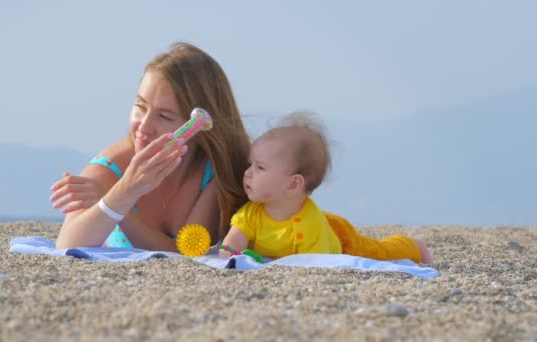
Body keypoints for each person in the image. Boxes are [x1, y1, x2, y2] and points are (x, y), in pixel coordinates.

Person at [52, 42, 250, 251]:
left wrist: (123, 205)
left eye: (164, 116)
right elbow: (67, 244)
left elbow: (187, 253)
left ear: (197, 128)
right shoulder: (112, 166)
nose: (143, 127)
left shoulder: (213, 172)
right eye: (140, 106)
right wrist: (121, 193)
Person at [220, 111, 434, 264]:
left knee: (377, 252)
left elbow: (318, 263)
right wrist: (228, 254)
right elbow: (233, 241)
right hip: (326, 220)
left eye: (260, 167)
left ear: (293, 184)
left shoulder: (310, 226)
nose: (248, 173)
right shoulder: (251, 213)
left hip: (340, 238)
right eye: (250, 164)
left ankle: (414, 247)